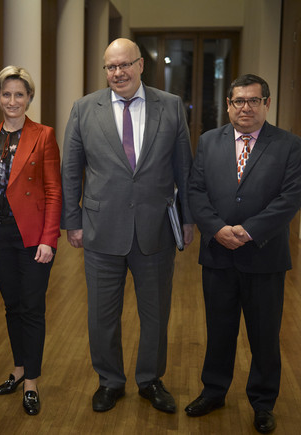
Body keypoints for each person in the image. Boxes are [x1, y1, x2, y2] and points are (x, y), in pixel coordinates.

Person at [60, 38, 194, 413]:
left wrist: (187, 218)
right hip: (101, 229)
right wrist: (72, 220)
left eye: (124, 65)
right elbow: (71, 169)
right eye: (110, 67)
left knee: (155, 314)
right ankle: (110, 381)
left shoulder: (169, 106)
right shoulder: (85, 108)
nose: (117, 73)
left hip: (155, 230)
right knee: (102, 316)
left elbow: (184, 166)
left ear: (140, 66)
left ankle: (150, 380)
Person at [186, 74, 301, 433]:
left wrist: (249, 231)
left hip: (264, 256)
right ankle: (214, 391)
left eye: (254, 100)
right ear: (228, 105)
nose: (246, 108)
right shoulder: (209, 142)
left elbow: (289, 199)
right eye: (239, 101)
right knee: (219, 330)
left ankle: (263, 402)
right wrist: (217, 229)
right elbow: (195, 190)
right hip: (218, 254)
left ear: (267, 104)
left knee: (264, 335)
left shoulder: (288, 145)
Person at [0, 66, 62, 416]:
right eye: (6, 94)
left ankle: (31, 383)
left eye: (19, 95)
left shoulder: (43, 135)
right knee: (12, 306)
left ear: (29, 98)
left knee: (32, 308)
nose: (12, 101)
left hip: (32, 236)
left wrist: (49, 240)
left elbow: (54, 192)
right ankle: (18, 368)